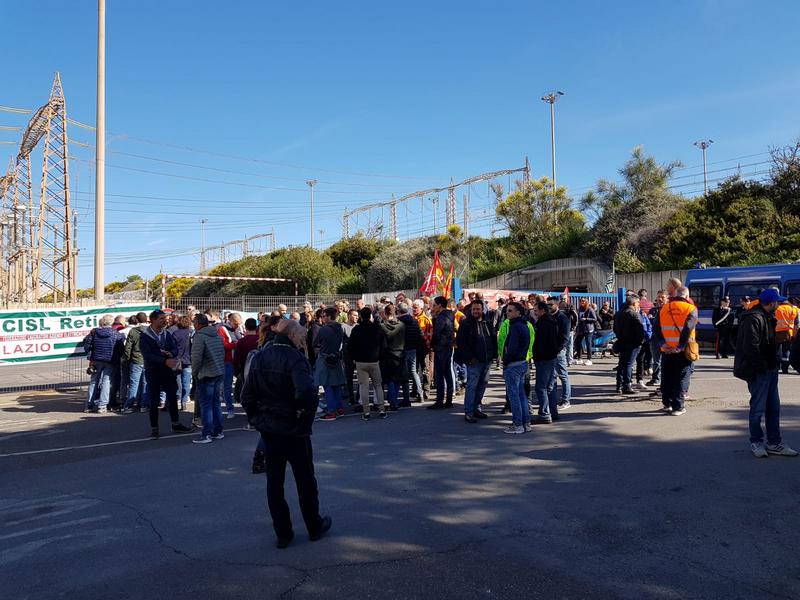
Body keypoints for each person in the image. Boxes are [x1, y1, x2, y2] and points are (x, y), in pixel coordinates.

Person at [241, 319, 332, 548]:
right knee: (305, 480)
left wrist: (258, 421)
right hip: (292, 428)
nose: (304, 340)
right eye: (301, 336)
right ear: (291, 336)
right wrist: (304, 420)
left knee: (275, 483)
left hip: (271, 430)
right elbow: (307, 391)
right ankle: (313, 525)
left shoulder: (260, 356)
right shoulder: (294, 357)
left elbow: (247, 395)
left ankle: (283, 533)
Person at [734, 288, 798, 458]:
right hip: (760, 370)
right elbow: (751, 347)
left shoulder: (766, 316)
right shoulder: (754, 318)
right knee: (758, 409)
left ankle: (774, 442)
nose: (780, 304)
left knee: (773, 408)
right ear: (771, 303)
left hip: (769, 368)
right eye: (777, 302)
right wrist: (762, 367)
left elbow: (764, 343)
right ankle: (757, 441)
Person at [139, 309, 193, 439]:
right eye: (161, 319)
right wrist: (164, 360)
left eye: (165, 318)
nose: (165, 321)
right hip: (153, 370)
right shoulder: (145, 336)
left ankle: (175, 423)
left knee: (172, 396)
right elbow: (148, 355)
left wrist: (172, 354)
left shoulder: (167, 333)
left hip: (168, 370)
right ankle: (154, 428)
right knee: (154, 399)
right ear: (153, 320)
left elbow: (174, 348)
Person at [653, 287, 697, 415]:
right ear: (687, 296)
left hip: (666, 349)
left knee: (667, 376)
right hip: (683, 350)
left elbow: (656, 328)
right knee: (681, 377)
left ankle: (667, 404)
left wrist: (663, 343)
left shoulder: (664, 308)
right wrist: (681, 346)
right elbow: (688, 328)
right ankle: (678, 406)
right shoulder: (691, 309)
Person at [455, 299, 497, 423]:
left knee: (482, 385)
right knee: (472, 386)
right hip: (474, 361)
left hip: (487, 360)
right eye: (473, 309)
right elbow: (461, 343)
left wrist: (493, 355)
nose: (475, 311)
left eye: (478, 309)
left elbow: (493, 339)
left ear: (482, 309)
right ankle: (469, 412)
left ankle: (477, 408)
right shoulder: (466, 323)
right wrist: (469, 358)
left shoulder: (487, 322)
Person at [190, 313, 226, 444]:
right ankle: (218, 431)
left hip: (206, 374)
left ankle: (207, 434)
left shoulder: (199, 337)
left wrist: (194, 373)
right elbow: (221, 352)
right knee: (215, 403)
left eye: (194, 322)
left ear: (198, 324)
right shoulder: (216, 334)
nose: (193, 325)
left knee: (206, 405)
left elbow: (196, 357)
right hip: (218, 371)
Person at [347, 306, 387, 420]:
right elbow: (384, 345)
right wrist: (379, 356)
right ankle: (382, 410)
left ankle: (366, 412)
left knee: (363, 386)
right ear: (370, 316)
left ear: (360, 316)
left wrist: (354, 358)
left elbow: (350, 346)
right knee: (378, 386)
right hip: (374, 361)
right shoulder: (377, 328)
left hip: (360, 361)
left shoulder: (356, 329)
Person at [83, 315, 124, 414]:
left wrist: (90, 354)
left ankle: (89, 405)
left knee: (94, 381)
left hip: (96, 359)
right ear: (112, 323)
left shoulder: (94, 332)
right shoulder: (116, 334)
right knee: (106, 381)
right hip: (110, 360)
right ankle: (102, 406)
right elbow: (120, 348)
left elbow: (87, 344)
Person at [502, 302, 531, 434]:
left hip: (514, 364)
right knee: (521, 394)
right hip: (522, 362)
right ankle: (526, 423)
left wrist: (506, 360)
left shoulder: (516, 326)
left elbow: (512, 348)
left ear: (518, 312)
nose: (507, 313)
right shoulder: (524, 325)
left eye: (510, 311)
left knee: (514, 395)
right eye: (507, 310)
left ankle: (518, 424)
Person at [533, 301, 563, 425]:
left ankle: (545, 414)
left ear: (542, 310)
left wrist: (537, 356)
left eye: (536, 310)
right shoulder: (552, 321)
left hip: (544, 358)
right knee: (549, 387)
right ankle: (552, 412)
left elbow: (541, 343)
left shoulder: (544, 323)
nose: (535, 313)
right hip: (550, 357)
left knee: (541, 387)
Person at [314, 307, 347, 421]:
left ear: (328, 316)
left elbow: (315, 343)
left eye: (324, 316)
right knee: (336, 384)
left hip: (325, 358)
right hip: (336, 357)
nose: (322, 318)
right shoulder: (340, 328)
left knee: (327, 385)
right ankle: (340, 408)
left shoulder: (324, 329)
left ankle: (331, 411)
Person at [613, 296, 645, 395]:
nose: (639, 305)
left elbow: (614, 328)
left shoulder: (618, 314)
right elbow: (640, 330)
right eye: (638, 303)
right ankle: (627, 385)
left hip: (622, 341)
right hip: (632, 343)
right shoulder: (634, 314)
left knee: (622, 364)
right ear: (634, 304)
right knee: (628, 364)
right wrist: (640, 342)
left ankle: (619, 385)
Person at [429, 296, 455, 409]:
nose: (433, 307)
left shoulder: (441, 317)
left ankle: (439, 401)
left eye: (435, 305)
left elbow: (437, 333)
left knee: (439, 375)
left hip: (441, 347)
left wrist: (432, 345)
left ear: (440, 305)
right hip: (448, 346)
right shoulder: (450, 315)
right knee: (448, 373)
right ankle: (448, 400)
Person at [397, 302, 424, 406]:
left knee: (404, 374)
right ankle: (420, 394)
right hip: (413, 349)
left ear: (398, 311)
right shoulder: (414, 320)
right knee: (413, 371)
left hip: (403, 349)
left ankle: (406, 399)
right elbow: (420, 334)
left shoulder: (398, 322)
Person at [380, 304, 406, 411]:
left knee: (389, 379)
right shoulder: (402, 325)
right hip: (399, 354)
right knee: (397, 379)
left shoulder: (382, 326)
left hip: (387, 355)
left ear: (385, 314)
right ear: (395, 312)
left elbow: (381, 342)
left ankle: (392, 402)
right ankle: (394, 401)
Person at [548, 298, 572, 411]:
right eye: (547, 304)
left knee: (563, 376)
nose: (548, 306)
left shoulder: (563, 318)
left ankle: (566, 400)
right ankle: (553, 400)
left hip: (558, 352)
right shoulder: (549, 317)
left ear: (556, 305)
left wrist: (558, 349)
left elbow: (565, 337)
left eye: (551, 304)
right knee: (552, 376)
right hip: (550, 351)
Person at [122, 312, 149, 413]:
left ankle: (128, 406)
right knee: (145, 383)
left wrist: (127, 359)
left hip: (136, 359)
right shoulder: (151, 330)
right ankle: (143, 405)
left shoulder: (133, 331)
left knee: (134, 384)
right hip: (147, 360)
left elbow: (128, 347)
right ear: (146, 319)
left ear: (137, 320)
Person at [234, 318, 260, 406]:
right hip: (259, 368)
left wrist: (236, 372)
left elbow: (236, 358)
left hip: (245, 368)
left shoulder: (241, 341)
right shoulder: (261, 339)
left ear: (245, 327)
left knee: (247, 389)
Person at [646, 291, 668, 389]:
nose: (660, 299)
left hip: (665, 339)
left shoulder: (668, 310)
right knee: (656, 360)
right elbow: (649, 321)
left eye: (662, 297)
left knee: (665, 361)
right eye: (658, 297)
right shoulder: (653, 310)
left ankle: (664, 379)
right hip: (654, 339)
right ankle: (655, 378)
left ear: (667, 298)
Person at [172, 315, 194, 411]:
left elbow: (172, 348)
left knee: (178, 381)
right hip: (188, 360)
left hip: (177, 360)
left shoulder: (175, 333)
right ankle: (184, 402)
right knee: (186, 382)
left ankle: (178, 398)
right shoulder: (191, 333)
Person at [412, 299, 432, 400]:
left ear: (421, 308)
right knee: (414, 370)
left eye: (415, 308)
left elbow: (430, 335)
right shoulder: (411, 319)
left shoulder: (426, 320)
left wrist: (427, 347)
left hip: (423, 349)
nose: (414, 309)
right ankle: (415, 390)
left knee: (425, 370)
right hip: (413, 349)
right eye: (413, 307)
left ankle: (426, 391)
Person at [774, 297, 799, 373]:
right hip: (789, 332)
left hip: (778, 332)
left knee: (777, 350)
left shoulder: (777, 309)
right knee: (786, 350)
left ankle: (777, 367)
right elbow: (796, 324)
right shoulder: (794, 309)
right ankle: (785, 369)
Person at [341, 308, 360, 406]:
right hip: (347, 356)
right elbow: (341, 342)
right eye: (354, 315)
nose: (357, 317)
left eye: (357, 315)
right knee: (349, 377)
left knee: (361, 378)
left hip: (358, 356)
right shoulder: (343, 326)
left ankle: (359, 396)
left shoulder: (359, 326)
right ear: (349, 316)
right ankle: (351, 397)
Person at [574, 298, 598, 365]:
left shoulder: (590, 309)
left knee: (588, 344)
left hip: (588, 329)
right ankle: (579, 358)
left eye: (583, 301)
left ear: (586, 302)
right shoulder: (579, 309)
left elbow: (595, 319)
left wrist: (586, 319)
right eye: (581, 301)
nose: (582, 302)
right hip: (581, 329)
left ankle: (589, 359)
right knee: (577, 342)